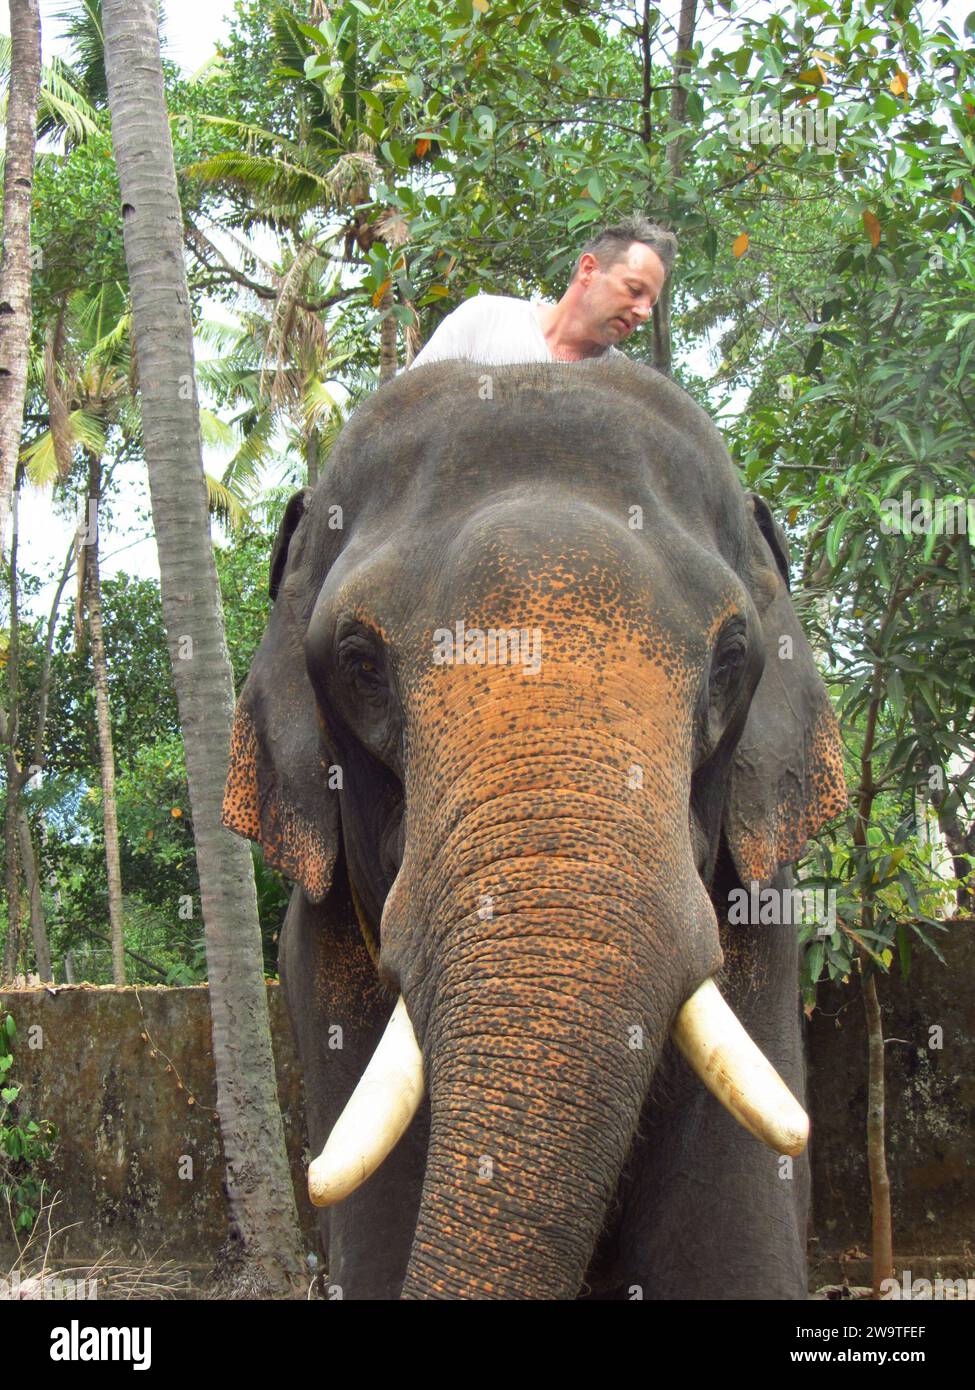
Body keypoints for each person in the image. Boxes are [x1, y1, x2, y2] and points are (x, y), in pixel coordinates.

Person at [408, 216, 677, 370]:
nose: (643, 312)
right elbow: (408, 412)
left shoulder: (622, 383)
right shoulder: (484, 320)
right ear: (588, 269)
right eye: (634, 290)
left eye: (650, 303)